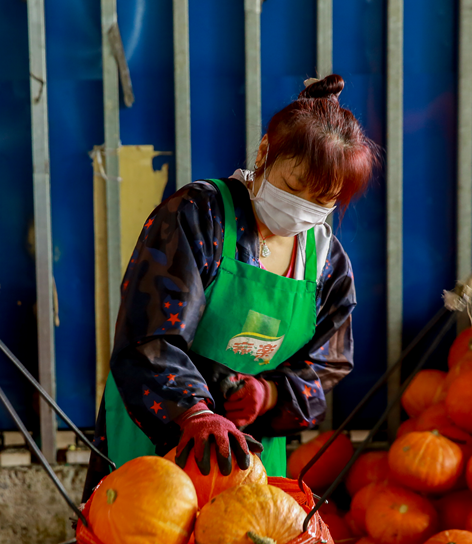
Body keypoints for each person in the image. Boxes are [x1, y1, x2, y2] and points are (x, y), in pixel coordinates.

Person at [83, 74, 379, 501]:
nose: (302, 209)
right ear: (264, 152)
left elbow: (329, 362)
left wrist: (272, 393)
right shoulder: (198, 216)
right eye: (294, 187)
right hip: (160, 433)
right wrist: (195, 412)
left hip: (250, 453)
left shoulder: (327, 262)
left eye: (323, 199)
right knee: (146, 541)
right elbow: (148, 333)